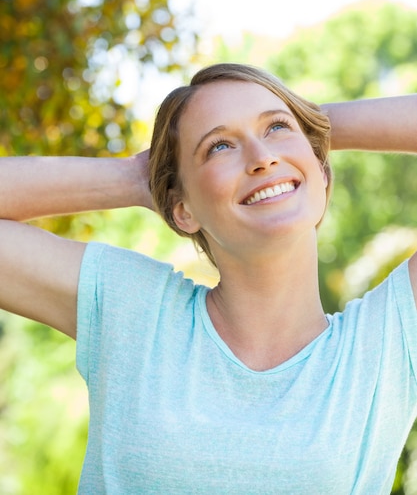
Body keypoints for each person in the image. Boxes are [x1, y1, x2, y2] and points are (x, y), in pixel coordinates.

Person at [0, 62, 416, 494]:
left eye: (276, 129)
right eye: (219, 147)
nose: (263, 158)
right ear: (183, 209)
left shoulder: (385, 343)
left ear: (322, 172)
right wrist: (135, 177)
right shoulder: (134, 309)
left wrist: (315, 125)